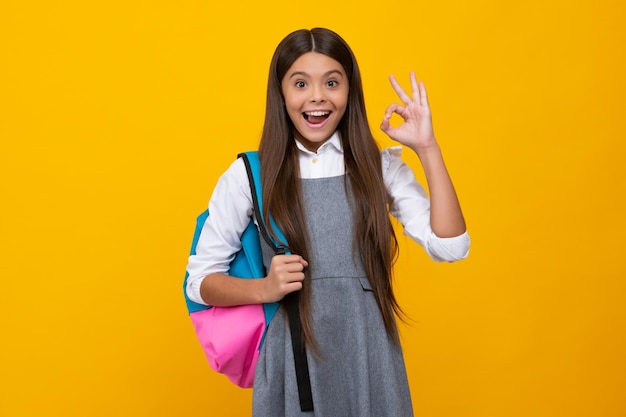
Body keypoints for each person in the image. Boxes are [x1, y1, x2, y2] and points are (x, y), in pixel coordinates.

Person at [186, 27, 469, 416]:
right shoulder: (249, 175)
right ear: (281, 93)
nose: (317, 96)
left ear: (349, 92)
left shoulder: (378, 166)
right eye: (300, 83)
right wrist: (264, 288)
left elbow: (451, 246)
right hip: (292, 360)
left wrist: (427, 148)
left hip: (368, 358)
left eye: (331, 82)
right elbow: (200, 283)